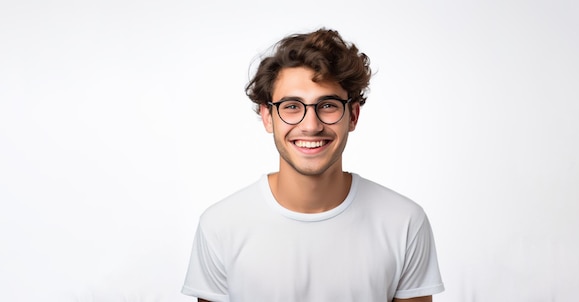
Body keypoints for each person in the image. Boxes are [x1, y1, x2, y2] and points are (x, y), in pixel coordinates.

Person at [182, 28, 445, 302]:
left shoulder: (404, 222)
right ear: (268, 117)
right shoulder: (220, 225)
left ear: (353, 115)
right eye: (292, 106)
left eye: (328, 105)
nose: (311, 125)